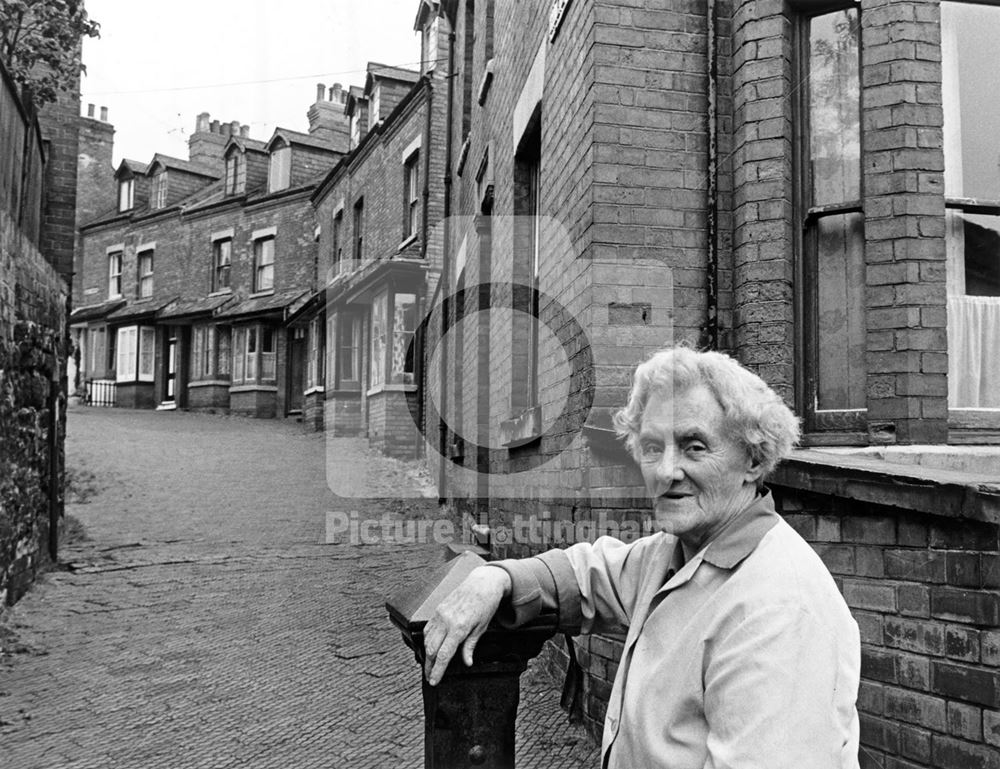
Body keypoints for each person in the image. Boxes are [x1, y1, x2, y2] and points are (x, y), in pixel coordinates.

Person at [422, 346, 861, 769]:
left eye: (694, 447)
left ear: (752, 459)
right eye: (652, 447)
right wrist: (495, 578)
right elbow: (588, 575)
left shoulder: (779, 611)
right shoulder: (679, 550)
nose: (666, 471)